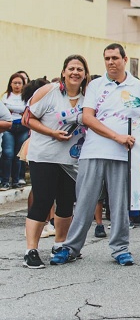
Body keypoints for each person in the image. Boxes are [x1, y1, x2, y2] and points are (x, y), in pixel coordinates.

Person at [50, 43, 140, 266]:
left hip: (124, 154)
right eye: (107, 58)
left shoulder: (138, 87)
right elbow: (88, 118)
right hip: (93, 151)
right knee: (85, 202)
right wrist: (117, 136)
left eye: (115, 58)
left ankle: (120, 249)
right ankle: (71, 248)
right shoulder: (96, 85)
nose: (111, 62)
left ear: (125, 60)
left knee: (119, 204)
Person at [21, 56, 90, 268]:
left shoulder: (88, 96)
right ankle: (31, 250)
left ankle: (60, 244)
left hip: (71, 159)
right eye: (71, 69)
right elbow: (27, 119)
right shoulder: (48, 91)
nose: (75, 72)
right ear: (63, 72)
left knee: (67, 202)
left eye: (80, 69)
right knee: (42, 201)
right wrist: (52, 132)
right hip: (45, 156)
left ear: (85, 74)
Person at [1, 73, 29, 188]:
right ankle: (5, 181)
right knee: (8, 153)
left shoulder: (26, 97)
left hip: (22, 127)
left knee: (18, 155)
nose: (17, 85)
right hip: (9, 128)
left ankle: (16, 180)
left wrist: (13, 109)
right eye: (15, 83)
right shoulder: (5, 96)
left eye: (19, 83)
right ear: (10, 84)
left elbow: (27, 110)